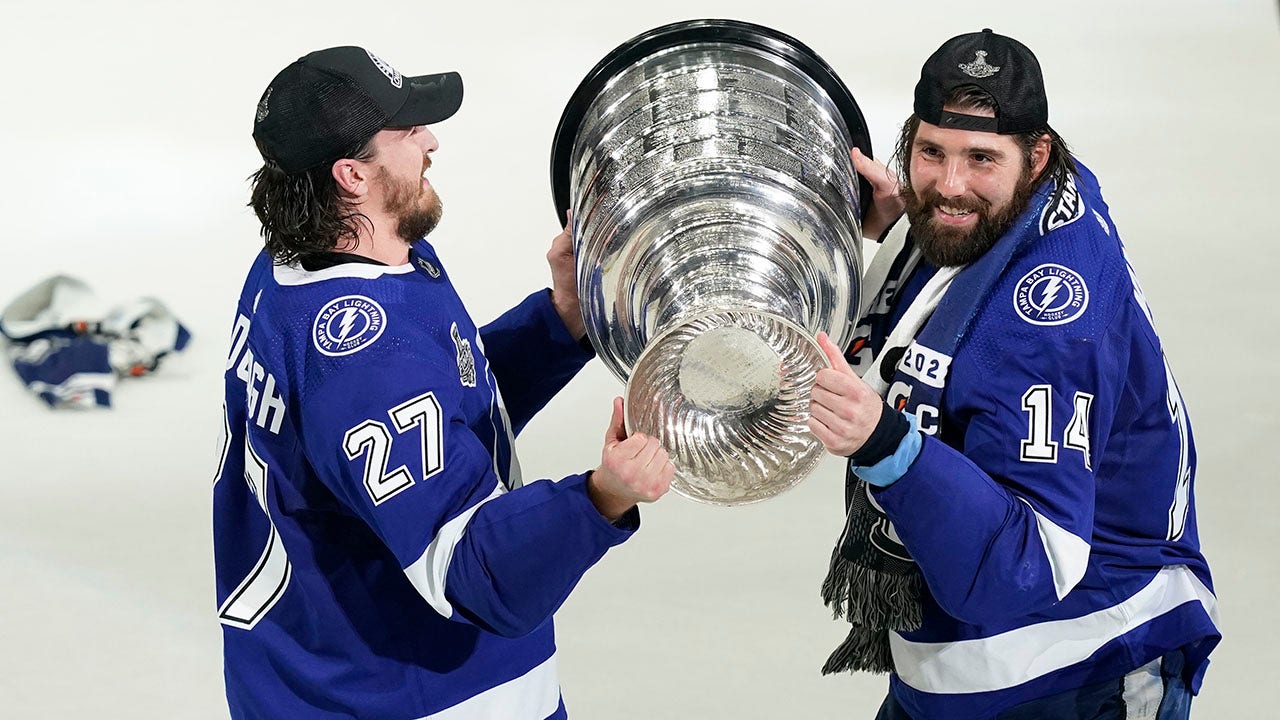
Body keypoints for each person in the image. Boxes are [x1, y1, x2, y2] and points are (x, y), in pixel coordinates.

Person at [212, 46, 673, 719]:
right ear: (351, 175)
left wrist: (559, 321)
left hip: (314, 679)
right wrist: (600, 498)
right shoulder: (363, 358)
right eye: (406, 132)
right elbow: (477, 576)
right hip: (414, 699)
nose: (430, 141)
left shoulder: (305, 264)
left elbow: (430, 411)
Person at [807, 29, 1219, 719]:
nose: (949, 184)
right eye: (930, 153)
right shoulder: (1035, 203)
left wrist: (886, 446)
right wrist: (900, 236)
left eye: (980, 159)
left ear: (1037, 155)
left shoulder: (1048, 321)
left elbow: (1029, 564)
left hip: (1076, 663)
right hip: (965, 654)